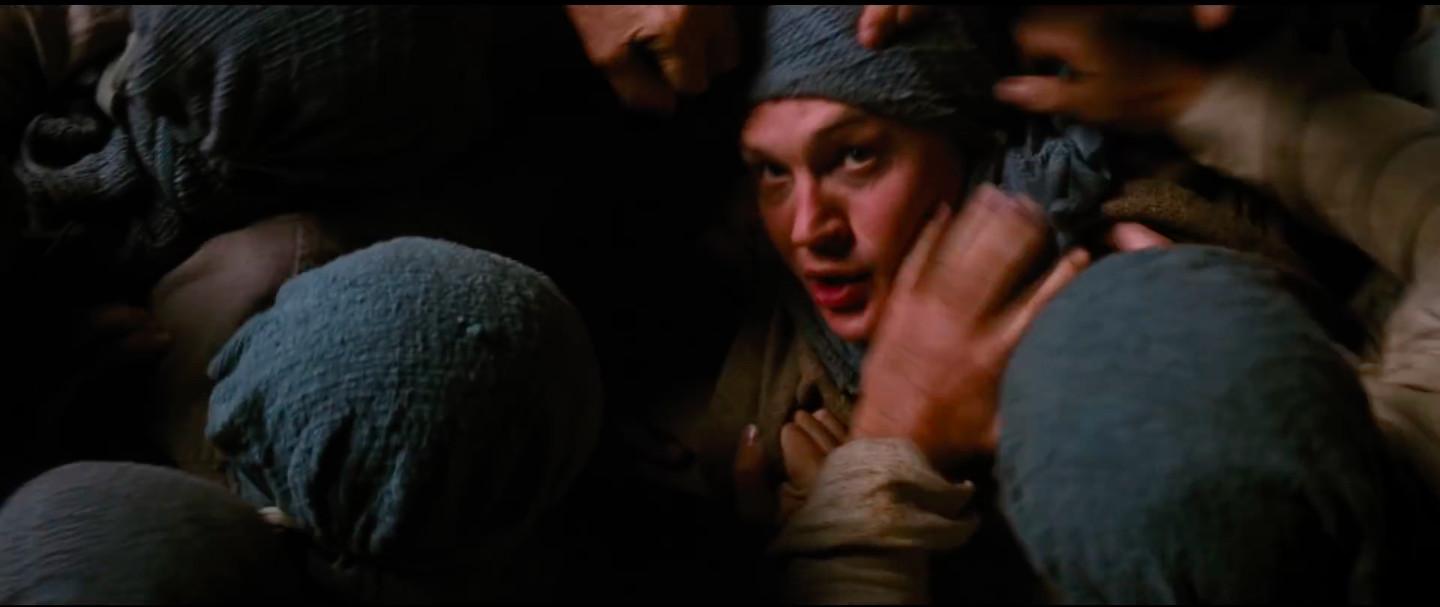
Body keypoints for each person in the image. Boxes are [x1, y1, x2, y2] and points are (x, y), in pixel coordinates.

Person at [617, 4, 1411, 603]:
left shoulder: (1146, 273)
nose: (808, 227)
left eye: (856, 155)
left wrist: (863, 513)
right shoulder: (767, 372)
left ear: (967, 142)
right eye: (771, 171)